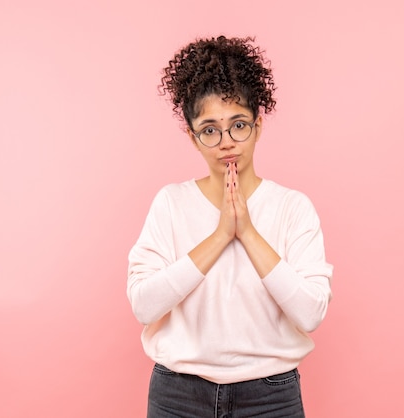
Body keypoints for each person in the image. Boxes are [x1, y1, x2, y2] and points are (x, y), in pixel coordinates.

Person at [127, 35, 333, 417]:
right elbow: (144, 304)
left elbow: (310, 313)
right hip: (178, 394)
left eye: (238, 125)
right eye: (210, 129)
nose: (226, 143)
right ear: (193, 137)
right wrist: (221, 235)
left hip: (271, 396)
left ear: (258, 124)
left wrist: (248, 233)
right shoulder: (171, 204)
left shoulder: (292, 208)